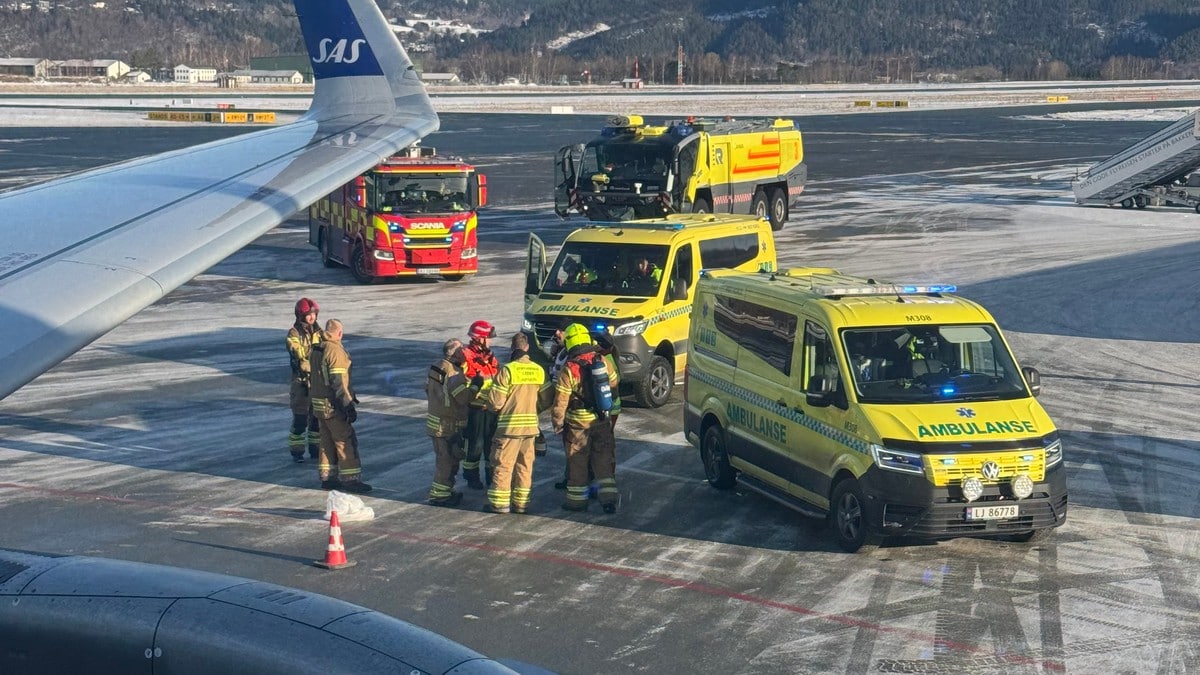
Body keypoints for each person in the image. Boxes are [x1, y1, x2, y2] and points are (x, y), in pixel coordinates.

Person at [552, 323, 619, 514]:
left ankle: (577, 501)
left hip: (577, 424)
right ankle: (609, 500)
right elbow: (614, 384)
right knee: (603, 460)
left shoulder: (570, 368)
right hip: (601, 420)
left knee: (578, 461)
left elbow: (561, 401)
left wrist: (557, 422)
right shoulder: (602, 360)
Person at [483, 333, 551, 514]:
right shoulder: (538, 370)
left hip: (509, 428)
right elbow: (547, 398)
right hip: (530, 429)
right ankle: (521, 504)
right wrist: (533, 408)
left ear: (512, 348)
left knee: (503, 465)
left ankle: (499, 504)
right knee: (525, 466)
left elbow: (495, 402)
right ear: (527, 348)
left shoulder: (508, 370)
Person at [308, 319, 371, 493]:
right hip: (333, 406)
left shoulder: (317, 348)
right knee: (345, 441)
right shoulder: (335, 351)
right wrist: (347, 406)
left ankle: (327, 477)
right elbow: (339, 382)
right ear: (339, 333)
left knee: (326, 441)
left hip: (319, 406)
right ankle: (351, 480)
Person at [425, 338, 481, 507]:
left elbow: (428, 389)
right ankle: (440, 496)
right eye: (461, 350)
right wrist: (476, 386)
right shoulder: (453, 372)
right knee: (447, 461)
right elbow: (463, 398)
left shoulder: (437, 366)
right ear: (455, 353)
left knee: (444, 458)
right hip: (447, 425)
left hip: (436, 421)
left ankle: (445, 491)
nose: (464, 353)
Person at [461, 319, 500, 490]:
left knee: (490, 445)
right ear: (480, 338)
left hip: (490, 409)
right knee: (474, 446)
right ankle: (472, 477)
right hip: (474, 409)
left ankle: (492, 477)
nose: (490, 341)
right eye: (488, 338)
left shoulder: (490, 357)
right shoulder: (466, 356)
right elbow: (462, 383)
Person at [285, 298, 322, 463]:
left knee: (316, 419)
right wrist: (305, 361)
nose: (312, 318)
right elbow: (294, 348)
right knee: (300, 419)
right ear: (301, 315)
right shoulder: (294, 333)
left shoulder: (320, 332)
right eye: (309, 315)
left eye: (314, 314)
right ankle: (297, 452)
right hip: (301, 382)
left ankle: (315, 450)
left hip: (317, 381)